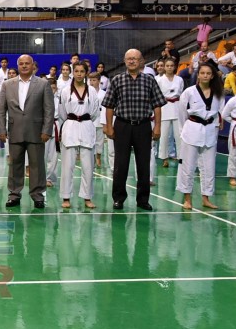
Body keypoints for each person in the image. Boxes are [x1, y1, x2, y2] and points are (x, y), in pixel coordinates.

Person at [103, 48, 165, 211]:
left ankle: (143, 200)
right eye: (128, 58)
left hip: (143, 126)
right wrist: (109, 126)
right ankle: (118, 198)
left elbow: (157, 105)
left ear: (141, 61)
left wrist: (157, 126)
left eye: (135, 58)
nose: (131, 61)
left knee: (144, 164)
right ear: (124, 61)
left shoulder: (149, 80)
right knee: (120, 164)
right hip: (122, 125)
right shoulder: (117, 80)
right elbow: (109, 105)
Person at [0, 54, 53, 210]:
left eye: (28, 63)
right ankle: (14, 195)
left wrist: (47, 130)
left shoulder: (43, 84)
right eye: (21, 64)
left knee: (37, 165)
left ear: (33, 65)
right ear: (18, 65)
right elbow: (1, 109)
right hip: (15, 130)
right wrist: (1, 129)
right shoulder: (7, 84)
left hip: (37, 131)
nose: (25, 66)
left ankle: (38, 196)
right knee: (15, 165)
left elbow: (49, 109)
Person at [176, 62, 223, 210]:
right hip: (191, 130)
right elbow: (182, 113)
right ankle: (187, 198)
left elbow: (219, 113)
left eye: (208, 73)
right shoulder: (189, 92)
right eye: (202, 73)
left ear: (212, 76)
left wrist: (216, 128)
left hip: (210, 131)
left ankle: (206, 198)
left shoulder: (218, 93)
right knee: (187, 166)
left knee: (209, 167)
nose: (205, 76)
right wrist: (183, 131)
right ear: (198, 75)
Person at [57, 61, 99, 210]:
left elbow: (95, 112)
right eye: (76, 71)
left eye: (82, 71)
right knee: (67, 166)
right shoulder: (65, 91)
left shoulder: (92, 91)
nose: (79, 74)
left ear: (86, 73)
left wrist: (84, 120)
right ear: (72, 72)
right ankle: (66, 197)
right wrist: (71, 121)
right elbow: (62, 112)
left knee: (88, 166)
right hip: (70, 126)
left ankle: (87, 197)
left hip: (87, 126)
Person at [153, 57, 183, 172]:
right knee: (164, 135)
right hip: (164, 107)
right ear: (164, 67)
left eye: (171, 66)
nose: (170, 68)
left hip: (177, 106)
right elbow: (157, 95)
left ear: (175, 67)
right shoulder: (159, 80)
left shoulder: (179, 79)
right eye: (167, 66)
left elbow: (181, 93)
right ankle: (164, 157)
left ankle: (181, 157)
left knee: (178, 135)